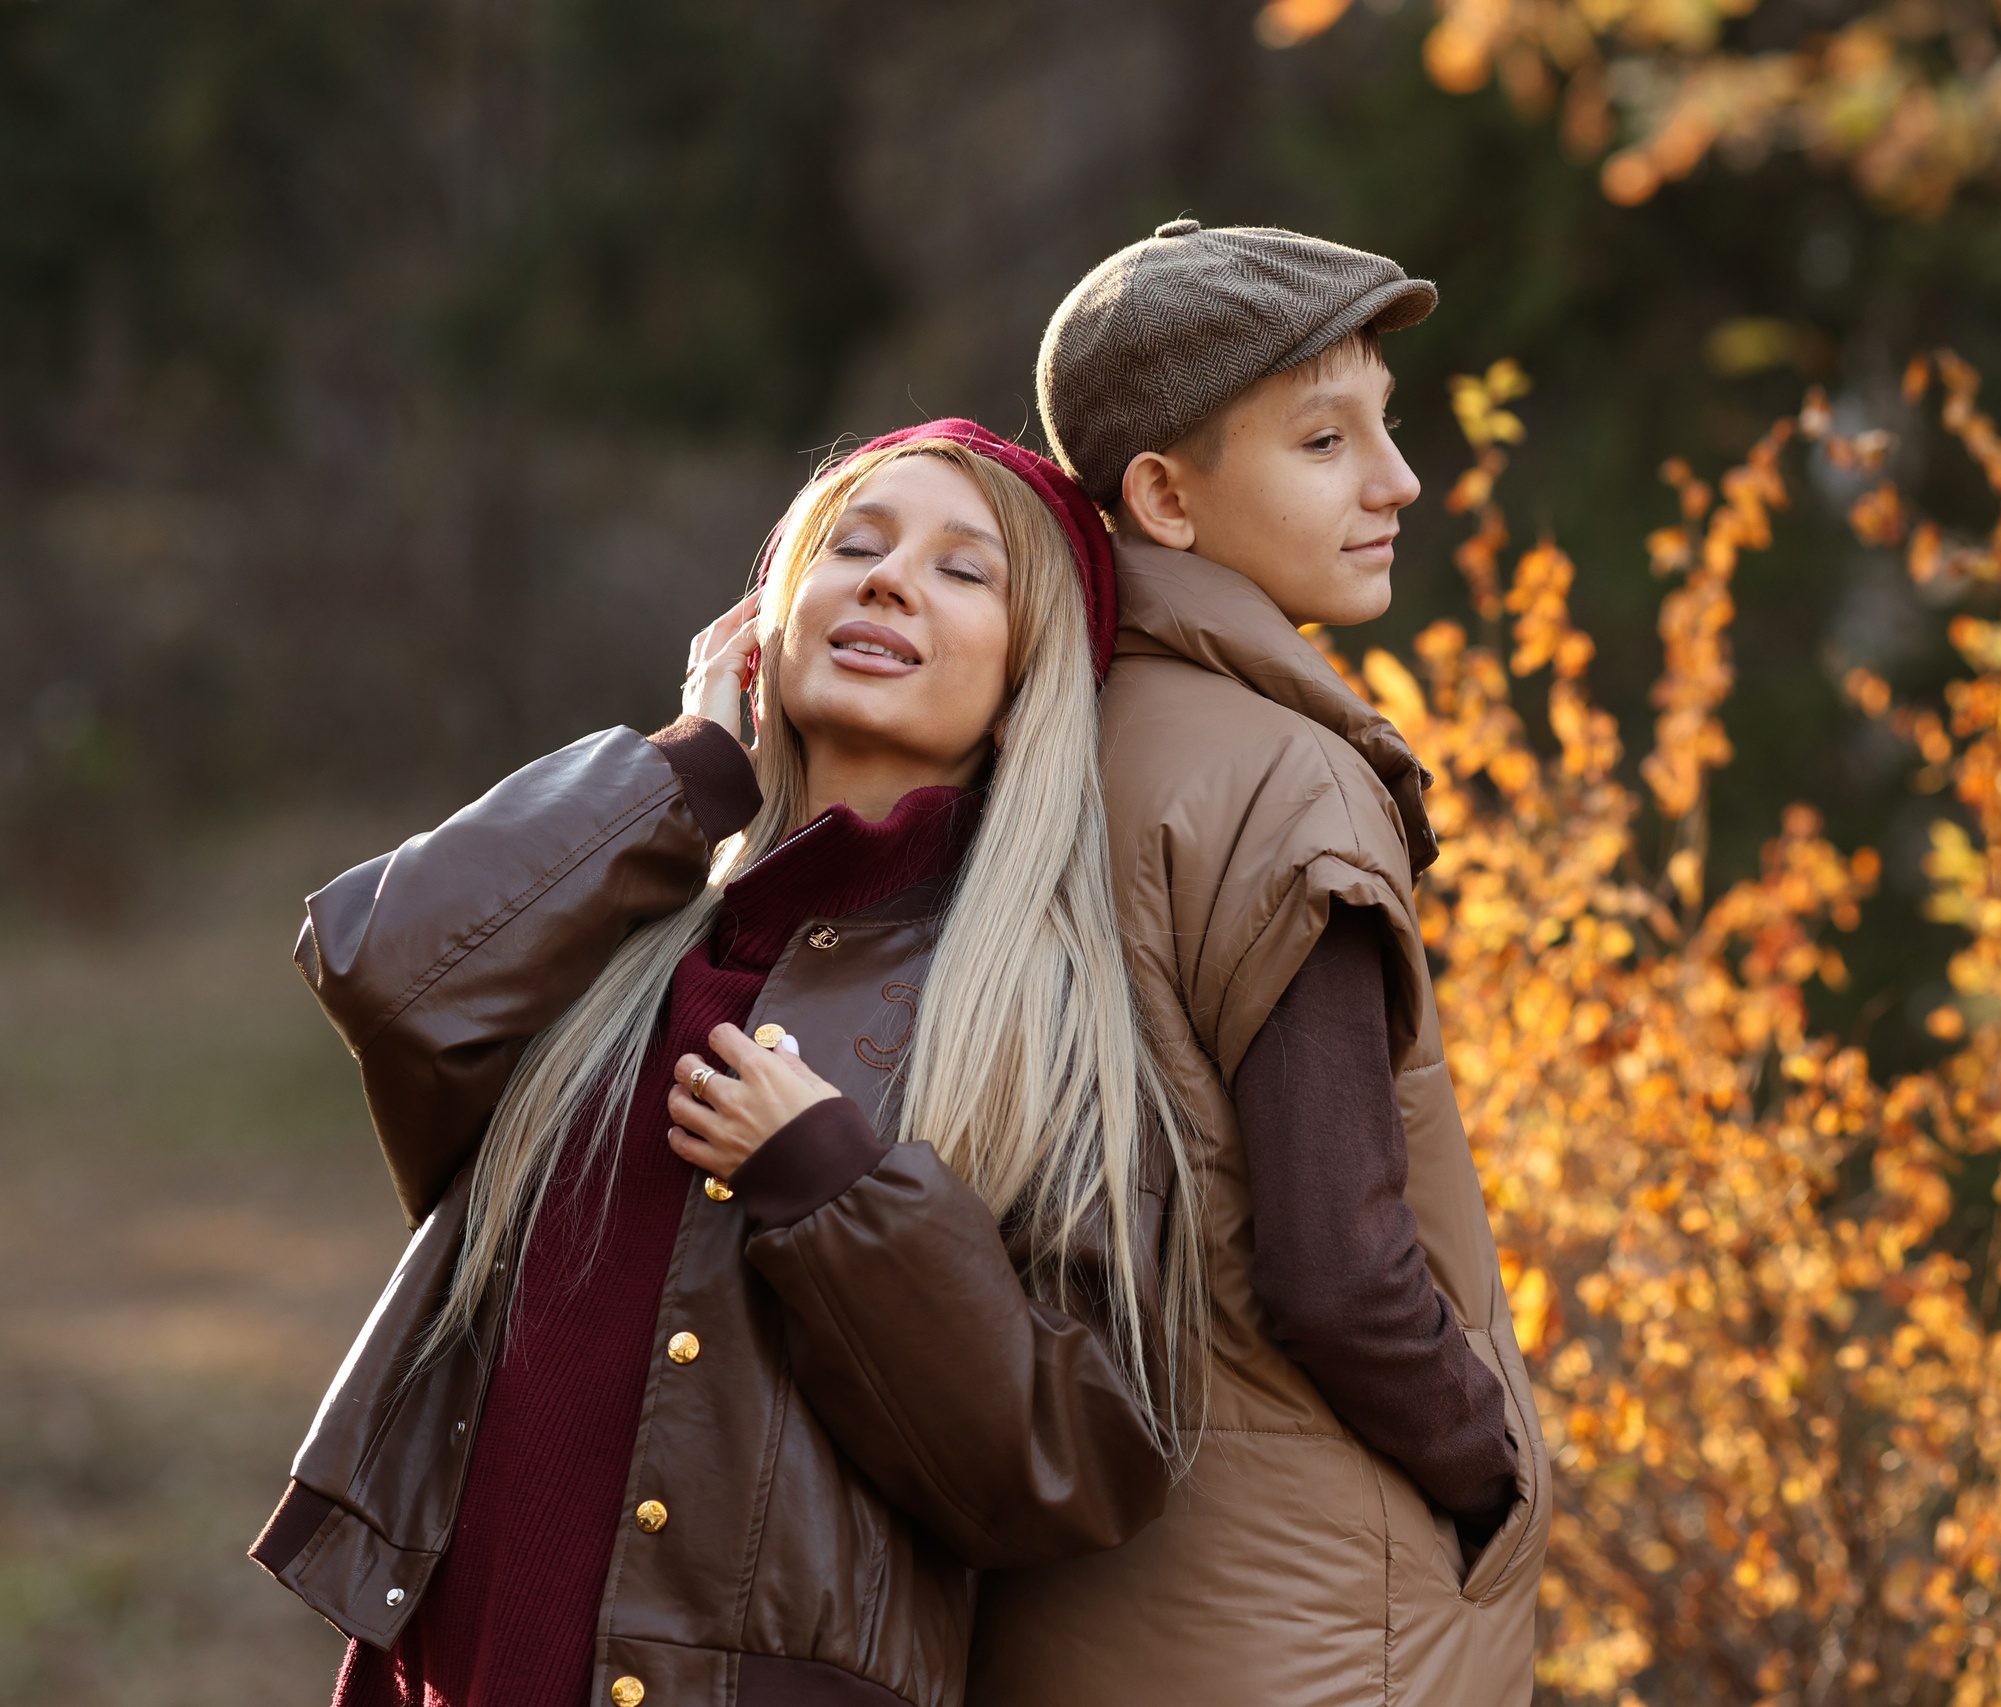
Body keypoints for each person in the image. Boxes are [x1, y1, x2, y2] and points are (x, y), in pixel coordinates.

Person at [248, 419, 1200, 1707]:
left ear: (1035, 673)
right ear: (766, 619)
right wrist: (685, 771)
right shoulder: (612, 940)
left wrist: (840, 1200)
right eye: (853, 545)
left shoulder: (1053, 1027)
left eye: (965, 569)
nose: (888, 578)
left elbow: (1076, 1459)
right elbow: (388, 969)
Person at [965, 222, 1549, 1705]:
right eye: (1323, 440)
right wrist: (1490, 1472)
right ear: (1163, 495)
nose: (1396, 481)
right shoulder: (1290, 786)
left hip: (1070, 1579)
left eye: (1386, 429)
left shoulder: (1029, 744)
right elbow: (1339, 1272)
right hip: (1313, 1625)